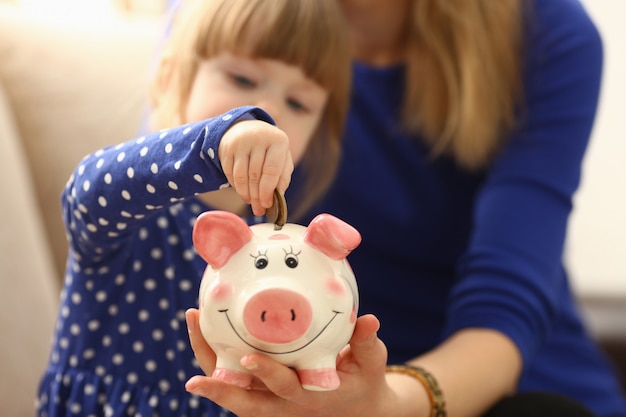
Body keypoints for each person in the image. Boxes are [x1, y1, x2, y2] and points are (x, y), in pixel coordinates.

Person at [183, 1, 626, 417]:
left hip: (503, 390)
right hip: (293, 382)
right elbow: (175, 204)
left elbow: (505, 301)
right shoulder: (228, 15)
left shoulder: (547, 32)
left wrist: (384, 403)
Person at [35, 0, 351, 415]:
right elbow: (87, 190)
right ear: (169, 80)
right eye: (242, 78)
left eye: (298, 104)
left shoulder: (278, 246)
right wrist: (214, 142)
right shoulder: (133, 207)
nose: (268, 114)